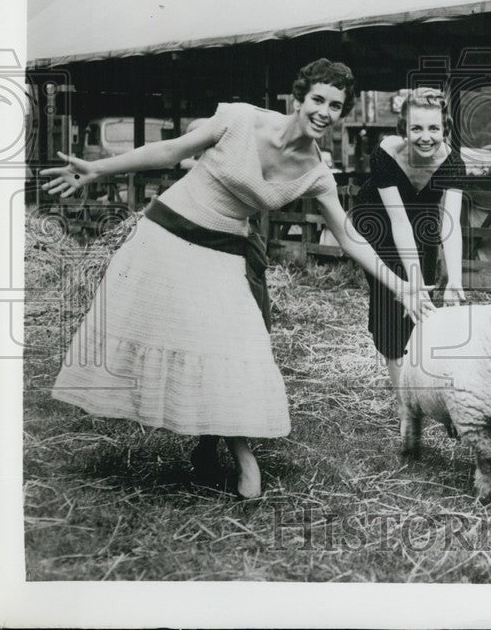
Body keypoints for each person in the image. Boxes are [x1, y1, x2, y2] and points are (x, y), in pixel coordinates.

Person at [44, 58, 431, 499]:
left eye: (336, 106)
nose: (324, 111)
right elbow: (171, 151)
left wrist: (398, 284)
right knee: (186, 341)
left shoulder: (317, 172)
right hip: (169, 233)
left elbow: (347, 234)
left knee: (237, 347)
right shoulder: (239, 119)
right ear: (299, 99)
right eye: (318, 100)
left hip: (225, 252)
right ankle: (239, 456)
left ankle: (215, 446)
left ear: (343, 114)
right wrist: (99, 169)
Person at [349, 88, 467, 364]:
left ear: (445, 128)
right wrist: (409, 284)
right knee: (395, 294)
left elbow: (451, 225)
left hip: (421, 221)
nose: (425, 137)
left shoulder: (452, 164)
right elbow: (398, 221)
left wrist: (455, 280)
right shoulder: (385, 154)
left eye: (433, 128)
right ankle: (402, 391)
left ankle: (419, 369)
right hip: (378, 220)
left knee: (424, 292)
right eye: (416, 128)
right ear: (404, 128)